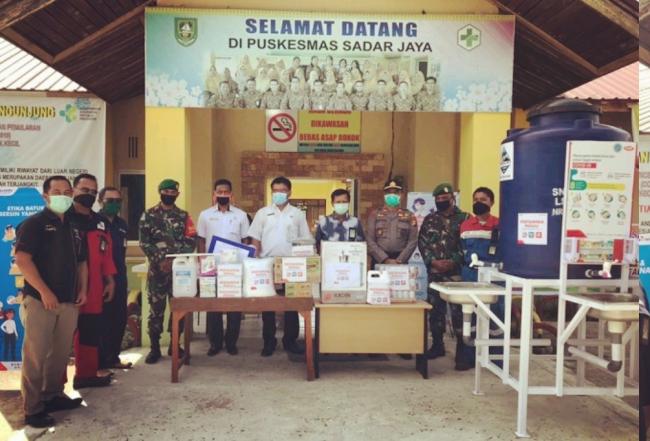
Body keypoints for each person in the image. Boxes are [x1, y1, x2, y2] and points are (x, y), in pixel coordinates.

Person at [15, 175, 88, 428]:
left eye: (67, 192)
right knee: (36, 356)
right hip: (40, 301)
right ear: (45, 196)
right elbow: (22, 259)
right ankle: (33, 409)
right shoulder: (34, 224)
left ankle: (52, 395)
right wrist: (44, 291)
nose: (63, 196)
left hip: (69, 301)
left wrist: (83, 289)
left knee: (59, 354)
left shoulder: (74, 225)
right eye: (57, 192)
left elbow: (82, 262)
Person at [248, 176, 312, 357]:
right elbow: (255, 239)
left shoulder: (297, 214)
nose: (278, 194)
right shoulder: (263, 213)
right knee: (268, 303)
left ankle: (290, 340)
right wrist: (255, 262)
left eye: (282, 190)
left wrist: (304, 262)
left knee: (291, 303)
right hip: (267, 263)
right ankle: (269, 341)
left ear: (289, 192)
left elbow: (305, 240)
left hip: (291, 264)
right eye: (275, 191)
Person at [139, 179, 197, 364]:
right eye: (166, 192)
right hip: (157, 271)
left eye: (173, 193)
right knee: (156, 311)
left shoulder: (183, 216)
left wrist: (174, 260)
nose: (169, 195)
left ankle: (175, 345)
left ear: (177, 194)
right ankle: (154, 348)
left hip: (179, 272)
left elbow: (191, 239)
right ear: (160, 192)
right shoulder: (148, 215)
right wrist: (161, 259)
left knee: (178, 309)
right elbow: (144, 242)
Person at [69, 173, 116, 389]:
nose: (88, 194)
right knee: (61, 337)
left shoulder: (100, 222)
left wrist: (110, 280)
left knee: (90, 331)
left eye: (93, 192)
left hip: (95, 286)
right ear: (74, 190)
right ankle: (54, 388)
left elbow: (107, 254)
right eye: (84, 190)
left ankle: (86, 375)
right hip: (67, 285)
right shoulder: (62, 218)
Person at [418, 183, 471, 370]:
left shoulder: (465, 219)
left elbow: (468, 245)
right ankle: (437, 345)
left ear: (452, 199)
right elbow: (422, 243)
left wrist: (454, 261)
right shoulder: (430, 219)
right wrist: (432, 261)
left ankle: (462, 352)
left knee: (459, 314)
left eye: (444, 198)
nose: (441, 201)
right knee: (435, 311)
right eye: (438, 199)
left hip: (456, 274)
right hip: (435, 273)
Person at [197, 179, 250, 356]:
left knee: (234, 305)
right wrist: (202, 261)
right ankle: (215, 342)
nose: (222, 195)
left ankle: (231, 342)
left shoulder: (241, 215)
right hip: (212, 265)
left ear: (231, 194)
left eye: (226, 192)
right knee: (214, 305)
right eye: (219, 192)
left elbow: (245, 240)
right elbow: (201, 240)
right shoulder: (205, 215)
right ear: (214, 194)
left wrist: (245, 263)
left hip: (234, 267)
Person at [460, 187, 503, 364]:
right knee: (470, 315)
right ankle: (468, 357)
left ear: (492, 202)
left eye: (483, 199)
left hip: (494, 275)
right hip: (471, 274)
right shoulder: (465, 225)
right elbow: (462, 250)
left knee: (496, 316)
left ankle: (496, 358)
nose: (478, 203)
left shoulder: (500, 225)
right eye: (476, 199)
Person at [97, 186, 132, 371]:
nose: (114, 204)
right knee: (102, 320)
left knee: (119, 318)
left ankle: (113, 358)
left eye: (118, 201)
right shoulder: (94, 223)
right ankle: (100, 362)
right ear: (100, 201)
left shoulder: (122, 224)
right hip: (99, 278)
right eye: (109, 201)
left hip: (119, 276)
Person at [366, 179, 418, 266]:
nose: (392, 195)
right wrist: (384, 259)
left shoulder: (409, 216)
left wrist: (400, 260)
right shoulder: (374, 215)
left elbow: (413, 241)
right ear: (384, 195)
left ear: (402, 194)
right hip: (379, 260)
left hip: (401, 261)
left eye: (396, 192)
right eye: (389, 192)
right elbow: (370, 241)